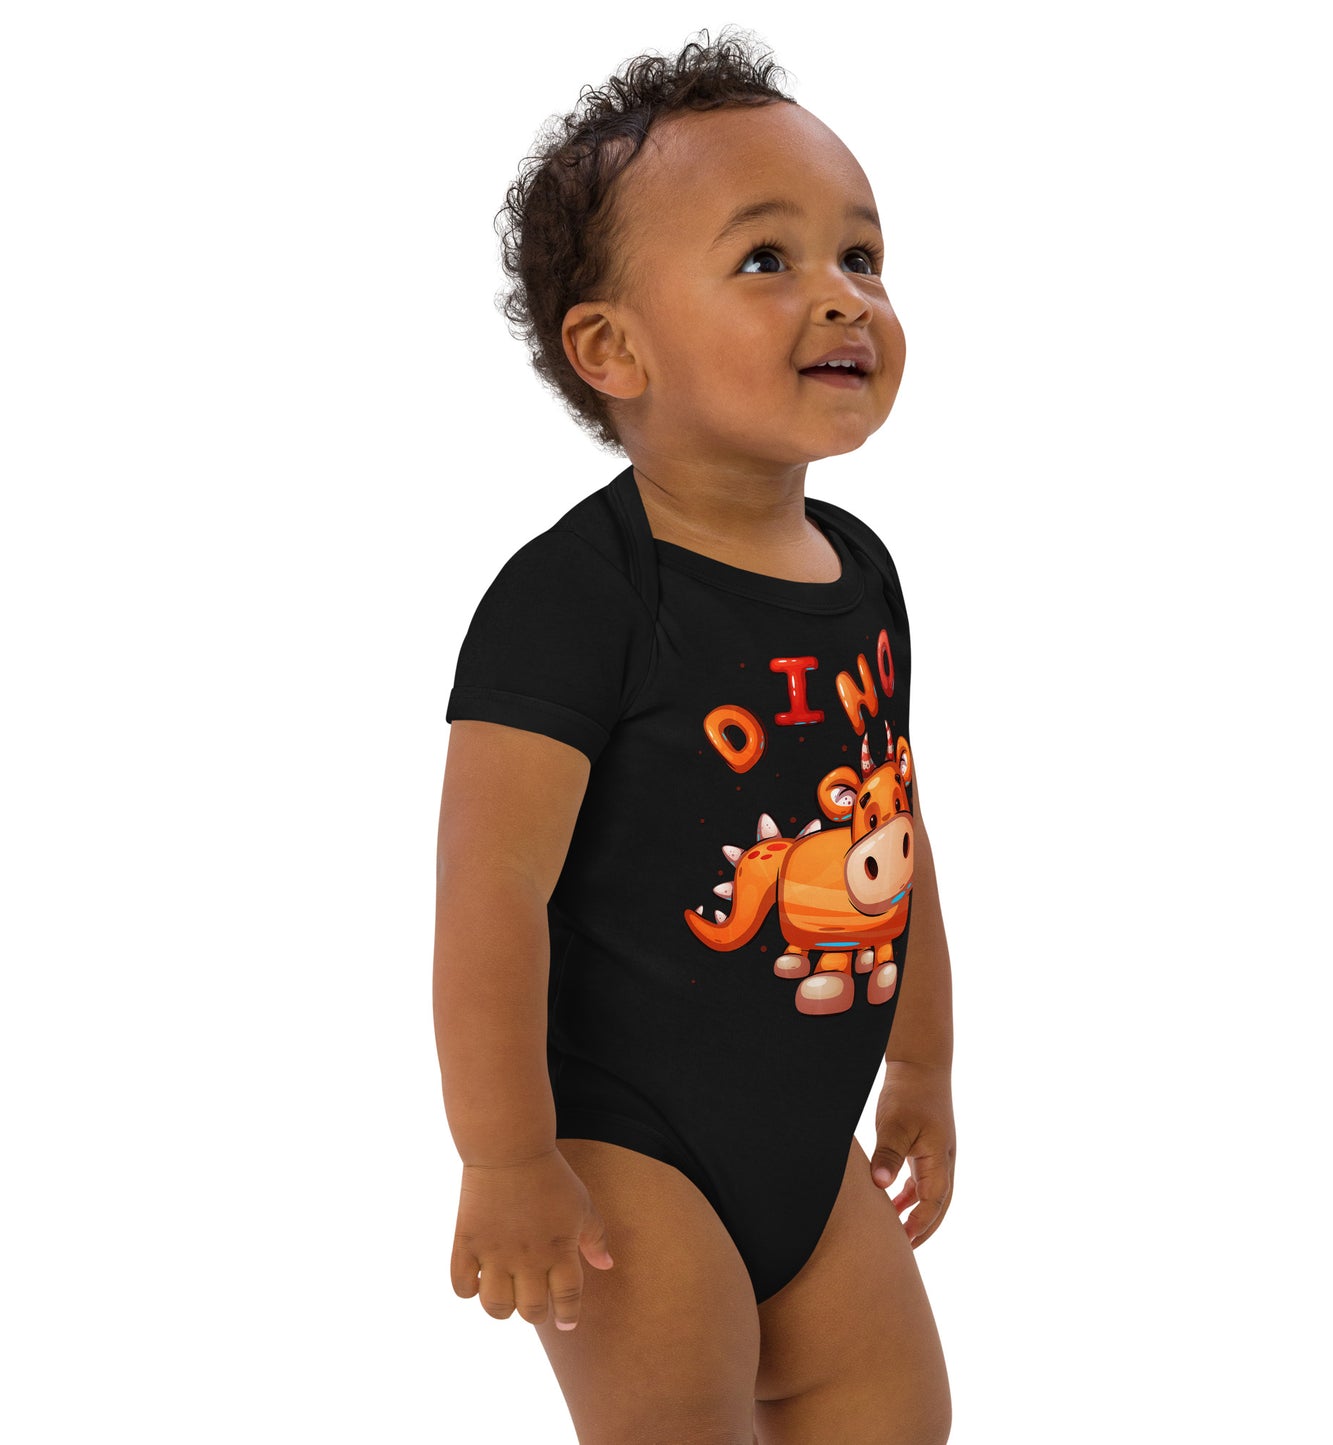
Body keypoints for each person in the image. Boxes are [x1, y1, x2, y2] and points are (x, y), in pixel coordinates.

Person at [433, 31, 956, 1444]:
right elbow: (488, 891)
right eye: (766, 259)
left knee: (899, 1415)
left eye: (862, 255)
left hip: (809, 1136)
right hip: (624, 1148)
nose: (842, 295)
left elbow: (891, 824)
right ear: (613, 348)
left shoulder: (862, 571)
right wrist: (504, 1156)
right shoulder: (574, 600)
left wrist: (920, 1063)